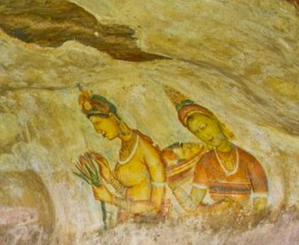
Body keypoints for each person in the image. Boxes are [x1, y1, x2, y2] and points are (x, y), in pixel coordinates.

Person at [165, 87, 268, 215]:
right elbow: (191, 205)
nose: (204, 134)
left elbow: (260, 207)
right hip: (215, 222)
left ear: (215, 120)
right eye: (197, 132)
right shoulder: (205, 162)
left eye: (204, 126)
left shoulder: (249, 161)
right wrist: (175, 188)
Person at [79, 89, 167, 223]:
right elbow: (131, 192)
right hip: (127, 224)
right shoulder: (125, 148)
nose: (97, 130)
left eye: (97, 123)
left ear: (112, 117)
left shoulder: (147, 151)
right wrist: (109, 177)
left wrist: (111, 199)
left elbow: (155, 206)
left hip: (146, 226)